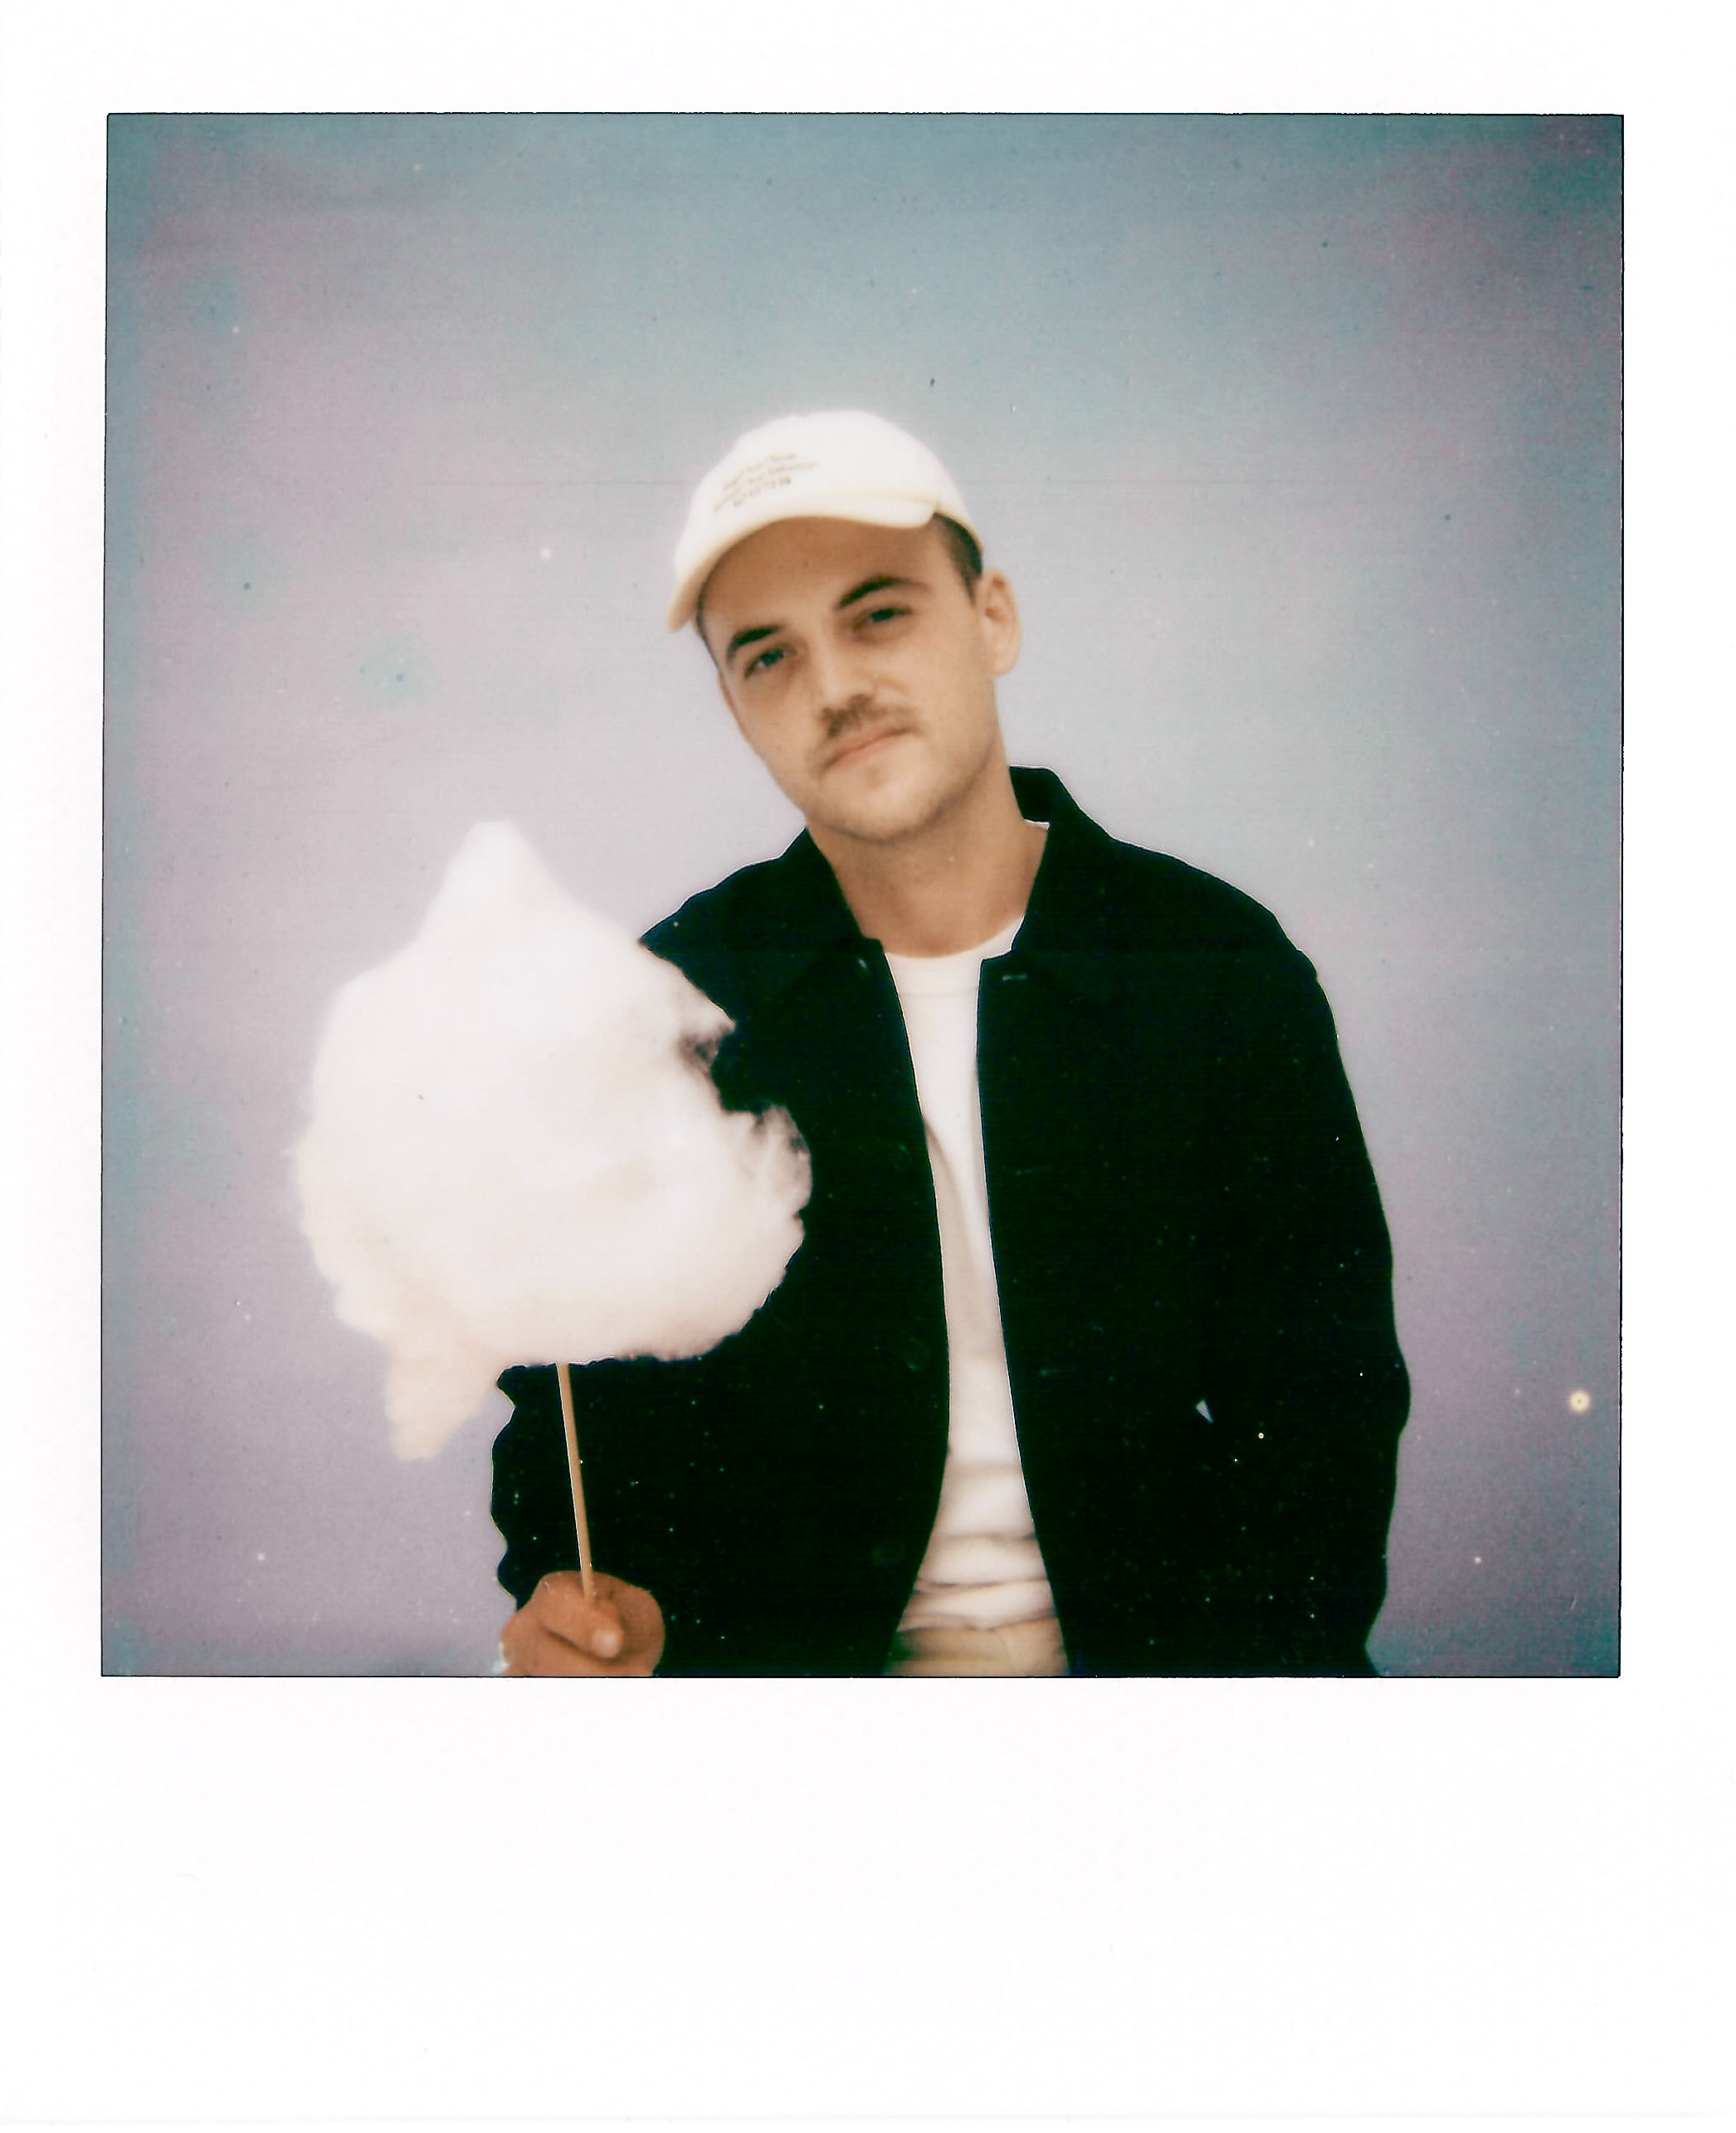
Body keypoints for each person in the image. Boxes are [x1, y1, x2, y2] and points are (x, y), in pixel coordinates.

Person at [492, 410, 1408, 1678]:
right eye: (769, 655)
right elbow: (577, 1443)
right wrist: (598, 1614)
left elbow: (1323, 1423)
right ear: (735, 706)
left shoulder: (1210, 966)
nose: (833, 687)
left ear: (993, 618)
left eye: (878, 614)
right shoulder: (670, 1010)